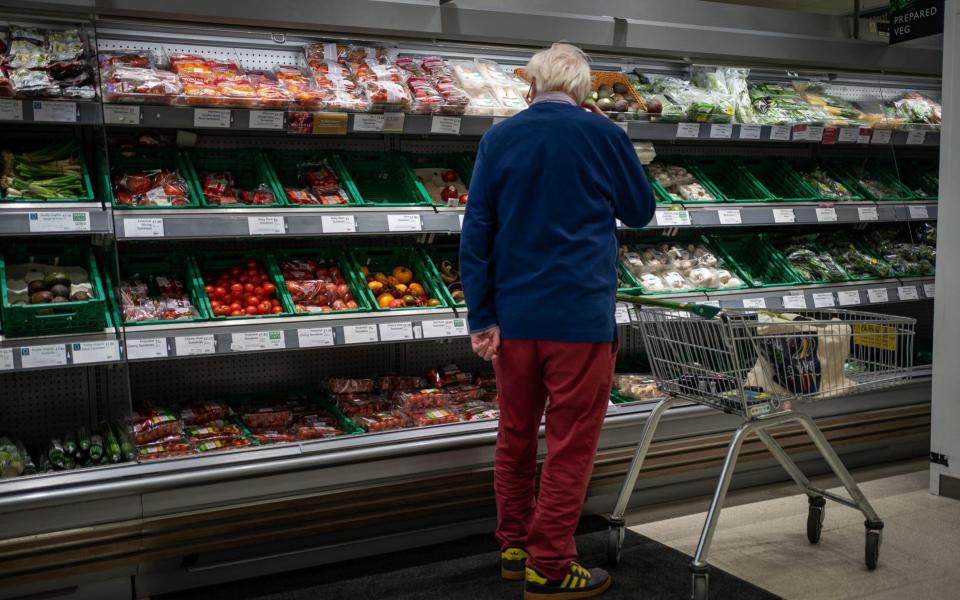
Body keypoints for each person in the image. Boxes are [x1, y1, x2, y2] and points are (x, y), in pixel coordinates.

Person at [460, 42, 656, 600]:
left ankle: (516, 547)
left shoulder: (499, 138)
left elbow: (477, 234)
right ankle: (549, 568)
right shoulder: (604, 135)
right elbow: (640, 210)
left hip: (514, 319)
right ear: (584, 89)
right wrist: (611, 135)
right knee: (570, 443)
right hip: (579, 320)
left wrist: (482, 317)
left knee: (515, 435)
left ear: (533, 84)